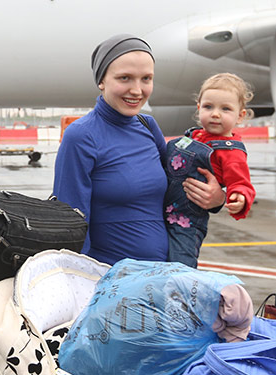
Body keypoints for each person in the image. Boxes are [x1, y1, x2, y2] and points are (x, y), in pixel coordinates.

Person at [52, 34, 225, 265]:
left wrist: (216, 198)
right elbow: (70, 222)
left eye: (146, 79)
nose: (137, 90)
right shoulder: (81, 136)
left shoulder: (148, 125)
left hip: (162, 276)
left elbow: (177, 189)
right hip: (109, 281)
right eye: (125, 78)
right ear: (101, 80)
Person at [164, 73, 256, 268]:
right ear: (198, 109)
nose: (215, 114)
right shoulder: (193, 136)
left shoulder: (231, 151)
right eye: (208, 107)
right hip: (164, 209)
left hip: (187, 221)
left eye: (226, 109)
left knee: (180, 264)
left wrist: (239, 196)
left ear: (240, 116)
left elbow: (240, 182)